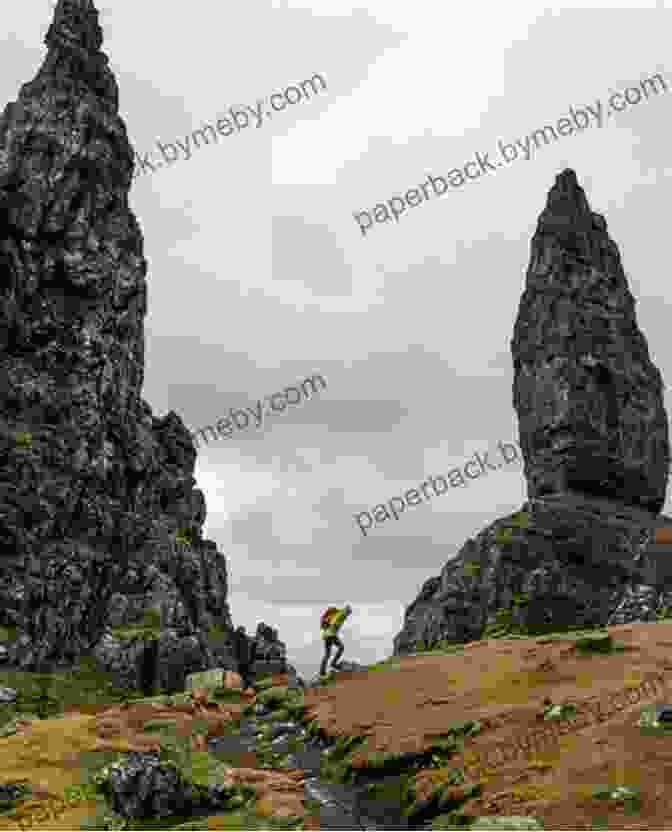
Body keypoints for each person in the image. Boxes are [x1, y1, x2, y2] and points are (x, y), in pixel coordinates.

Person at [319, 604, 352, 676]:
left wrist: (330, 627)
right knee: (341, 647)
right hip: (331, 635)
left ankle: (322, 672)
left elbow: (330, 622)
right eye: (348, 612)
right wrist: (332, 627)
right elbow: (333, 623)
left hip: (327, 635)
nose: (348, 614)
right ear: (346, 610)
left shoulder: (339, 614)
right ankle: (333, 664)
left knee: (327, 654)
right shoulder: (341, 614)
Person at [233, 625, 257, 694]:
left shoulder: (242, 639)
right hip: (243, 661)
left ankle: (248, 687)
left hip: (244, 661)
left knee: (244, 676)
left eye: (241, 630)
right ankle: (246, 688)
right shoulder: (241, 639)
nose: (240, 632)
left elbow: (252, 647)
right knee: (244, 676)